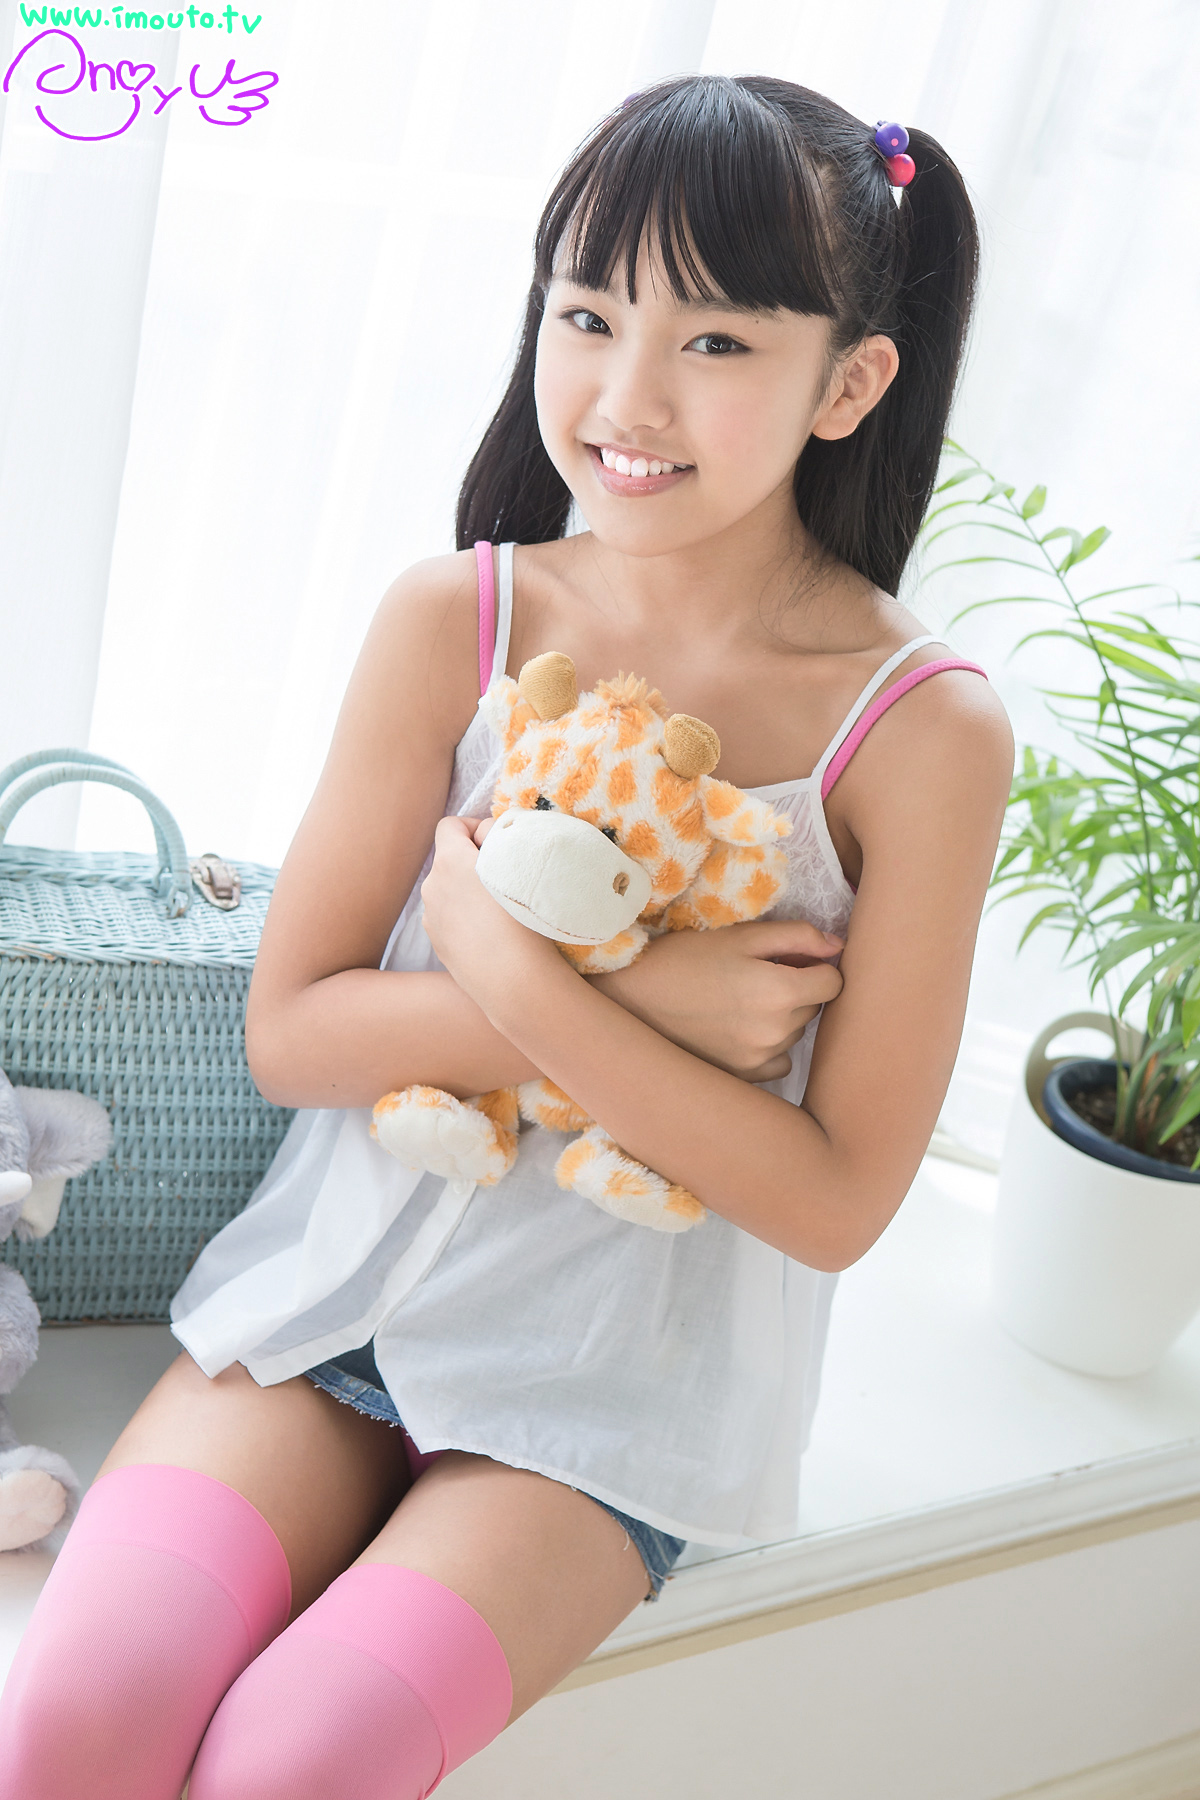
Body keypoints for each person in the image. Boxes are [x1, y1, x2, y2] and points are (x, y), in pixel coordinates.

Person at [0, 72, 1013, 1798]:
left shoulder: (921, 732)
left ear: (850, 382)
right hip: (324, 1311)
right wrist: (647, 994)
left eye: (715, 340)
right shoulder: (454, 617)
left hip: (607, 1401)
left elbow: (837, 1202)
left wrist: (513, 966)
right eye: (588, 313)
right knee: (65, 1724)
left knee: (288, 1771)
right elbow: (293, 1035)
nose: (626, 395)